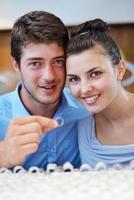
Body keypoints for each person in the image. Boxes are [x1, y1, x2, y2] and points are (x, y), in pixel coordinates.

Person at [0, 10, 89, 170]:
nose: (49, 76)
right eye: (35, 63)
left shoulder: (87, 109)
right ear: (16, 64)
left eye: (58, 61)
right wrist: (4, 156)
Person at [66, 18, 134, 168]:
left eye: (95, 74)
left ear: (120, 70)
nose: (84, 89)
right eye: (74, 79)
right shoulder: (80, 126)